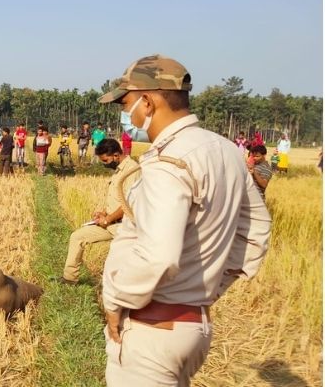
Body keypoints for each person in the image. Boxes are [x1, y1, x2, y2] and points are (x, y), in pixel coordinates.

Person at [97, 54, 271, 386]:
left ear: (147, 102)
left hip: (151, 334)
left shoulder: (169, 162)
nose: (123, 113)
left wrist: (115, 302)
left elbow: (157, 255)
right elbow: (256, 231)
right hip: (195, 326)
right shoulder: (226, 151)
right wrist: (209, 287)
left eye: (126, 103)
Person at [59, 139, 139, 284]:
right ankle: (69, 278)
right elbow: (116, 199)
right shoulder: (118, 171)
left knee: (119, 263)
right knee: (77, 237)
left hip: (126, 227)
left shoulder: (132, 170)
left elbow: (128, 204)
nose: (104, 163)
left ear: (115, 155)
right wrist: (103, 214)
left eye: (105, 160)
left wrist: (108, 219)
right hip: (110, 223)